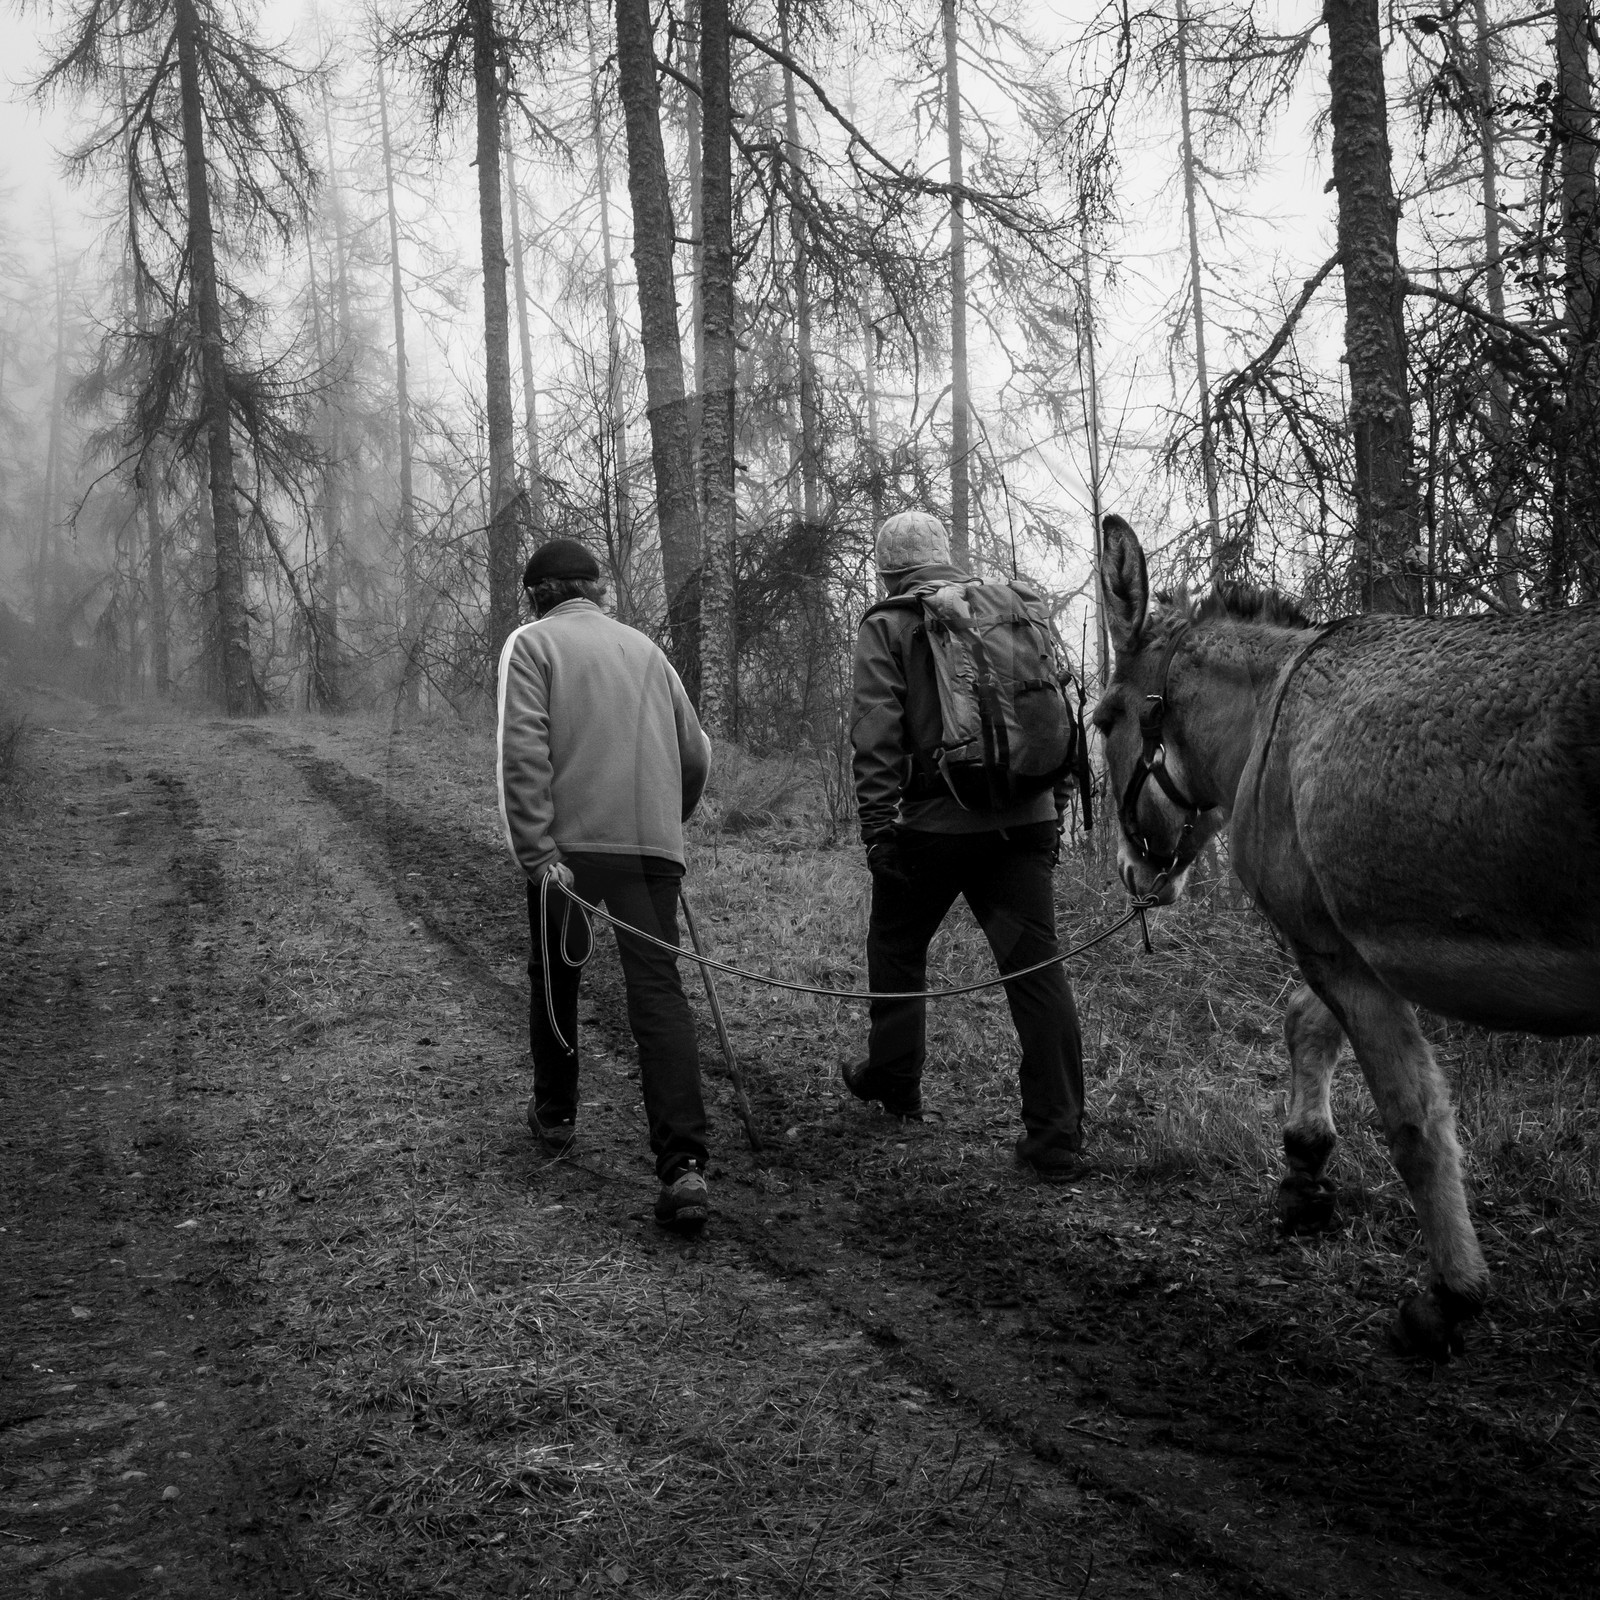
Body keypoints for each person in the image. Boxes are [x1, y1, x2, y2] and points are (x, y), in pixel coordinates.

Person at [846, 510, 1089, 1181]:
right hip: (1026, 820)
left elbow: (877, 733)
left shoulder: (888, 623)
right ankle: (1057, 1136)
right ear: (945, 557)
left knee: (897, 945)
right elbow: (1056, 717)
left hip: (935, 827)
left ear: (887, 569)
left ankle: (895, 1084)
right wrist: (1056, 813)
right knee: (1034, 970)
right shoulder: (1009, 610)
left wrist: (876, 830)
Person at [497, 538, 715, 1233]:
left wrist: (537, 852)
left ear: (538, 595)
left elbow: (522, 751)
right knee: (658, 992)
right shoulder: (647, 651)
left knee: (556, 976)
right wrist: (665, 825)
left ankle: (555, 1115)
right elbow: (695, 751)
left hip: (570, 853)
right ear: (594, 589)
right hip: (651, 849)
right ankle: (683, 1166)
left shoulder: (531, 645)